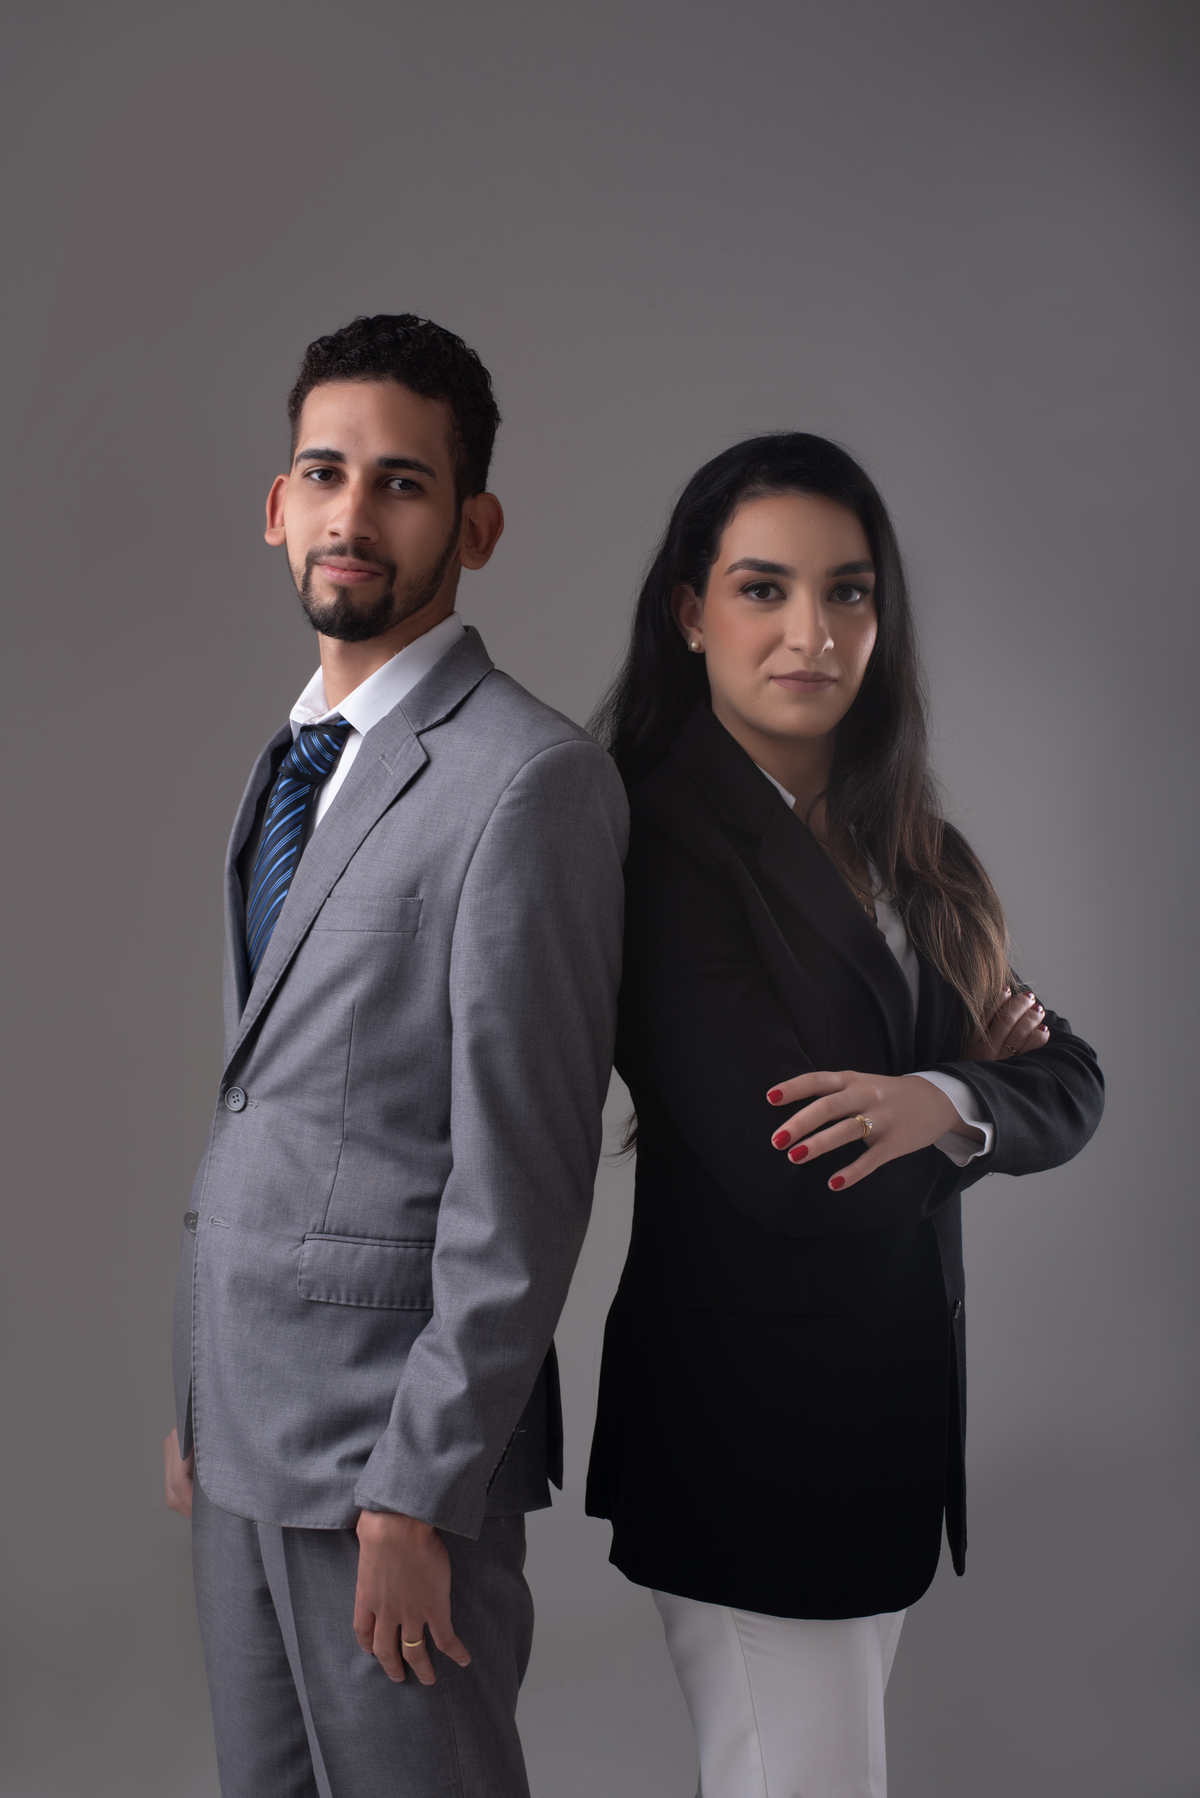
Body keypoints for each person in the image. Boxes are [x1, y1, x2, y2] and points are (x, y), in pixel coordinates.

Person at [585, 433, 1103, 1798]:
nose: (810, 632)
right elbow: (795, 1171)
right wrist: (971, 1091)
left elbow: (1071, 1080)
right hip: (754, 1451)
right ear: (689, 611)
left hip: (877, 1444)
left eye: (848, 591)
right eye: (763, 588)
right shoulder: (656, 846)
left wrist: (934, 1097)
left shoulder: (906, 846)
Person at [162, 313, 628, 1798]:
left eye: (403, 483)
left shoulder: (531, 781)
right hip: (244, 1427)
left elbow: (528, 1177)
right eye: (326, 472)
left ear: (474, 527)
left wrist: (422, 1488)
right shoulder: (292, 755)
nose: (352, 514)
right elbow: (269, 1099)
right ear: (276, 504)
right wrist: (199, 1392)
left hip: (391, 1458)